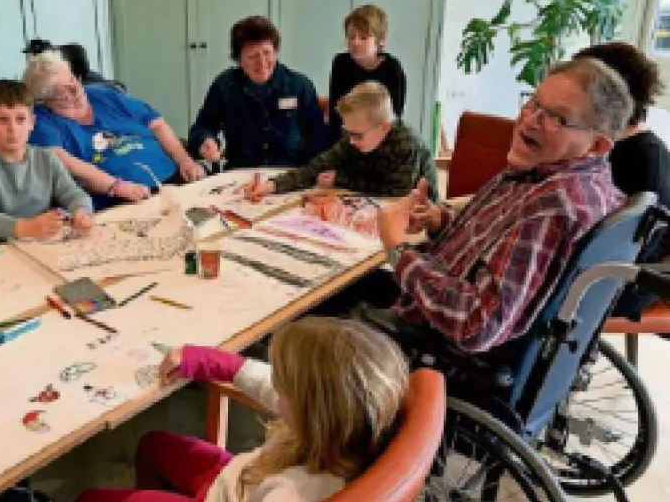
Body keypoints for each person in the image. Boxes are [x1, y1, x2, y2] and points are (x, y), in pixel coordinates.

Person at [331, 58, 632, 353]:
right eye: (534, 103)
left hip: (429, 346)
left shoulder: (554, 204)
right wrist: (439, 220)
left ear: (597, 145)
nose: (529, 120)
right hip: (433, 296)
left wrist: (399, 250)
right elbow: (499, 242)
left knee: (321, 306)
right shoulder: (568, 178)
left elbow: (477, 325)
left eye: (557, 118)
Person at [75, 317, 408, 502]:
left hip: (232, 491)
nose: (274, 386)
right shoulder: (344, 425)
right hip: (241, 478)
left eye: (283, 385)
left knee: (91, 499)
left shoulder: (294, 494)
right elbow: (260, 379)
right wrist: (199, 358)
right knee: (153, 445)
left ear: (310, 411)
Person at [24, 51, 204, 209]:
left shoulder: (103, 94)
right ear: (45, 101)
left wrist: (185, 161)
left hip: (174, 178)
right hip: (124, 199)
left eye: (73, 79)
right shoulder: (41, 120)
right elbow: (60, 159)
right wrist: (116, 186)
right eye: (64, 92)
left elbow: (156, 124)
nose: (76, 89)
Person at [574, 42, 670, 317]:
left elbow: (622, 248)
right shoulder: (621, 145)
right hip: (603, 274)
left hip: (620, 284)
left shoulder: (642, 159)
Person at [246, 81, 437, 200]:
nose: (350, 141)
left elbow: (397, 192)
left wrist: (342, 180)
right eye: (347, 132)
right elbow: (317, 167)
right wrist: (272, 185)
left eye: (357, 135)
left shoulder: (406, 143)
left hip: (419, 214)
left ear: (384, 127)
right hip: (371, 202)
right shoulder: (354, 135)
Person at [0, 79, 94, 244]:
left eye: (20, 119)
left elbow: (73, 193)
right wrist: (23, 228)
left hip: (38, 244)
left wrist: (82, 212)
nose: (12, 129)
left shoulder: (47, 158)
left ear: (32, 122)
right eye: (2, 120)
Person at [189, 16, 326, 169]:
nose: (262, 63)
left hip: (290, 171)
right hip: (240, 171)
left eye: (267, 53)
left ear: (275, 51)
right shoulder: (224, 86)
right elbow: (202, 127)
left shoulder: (299, 85)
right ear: (238, 59)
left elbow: (317, 140)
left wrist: (309, 174)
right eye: (253, 56)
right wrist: (205, 141)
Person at [327, 5, 407, 145]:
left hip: (380, 139)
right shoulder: (341, 63)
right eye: (351, 37)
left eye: (363, 38)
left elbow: (394, 115)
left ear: (381, 39)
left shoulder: (392, 67)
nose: (355, 42)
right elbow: (336, 112)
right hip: (346, 136)